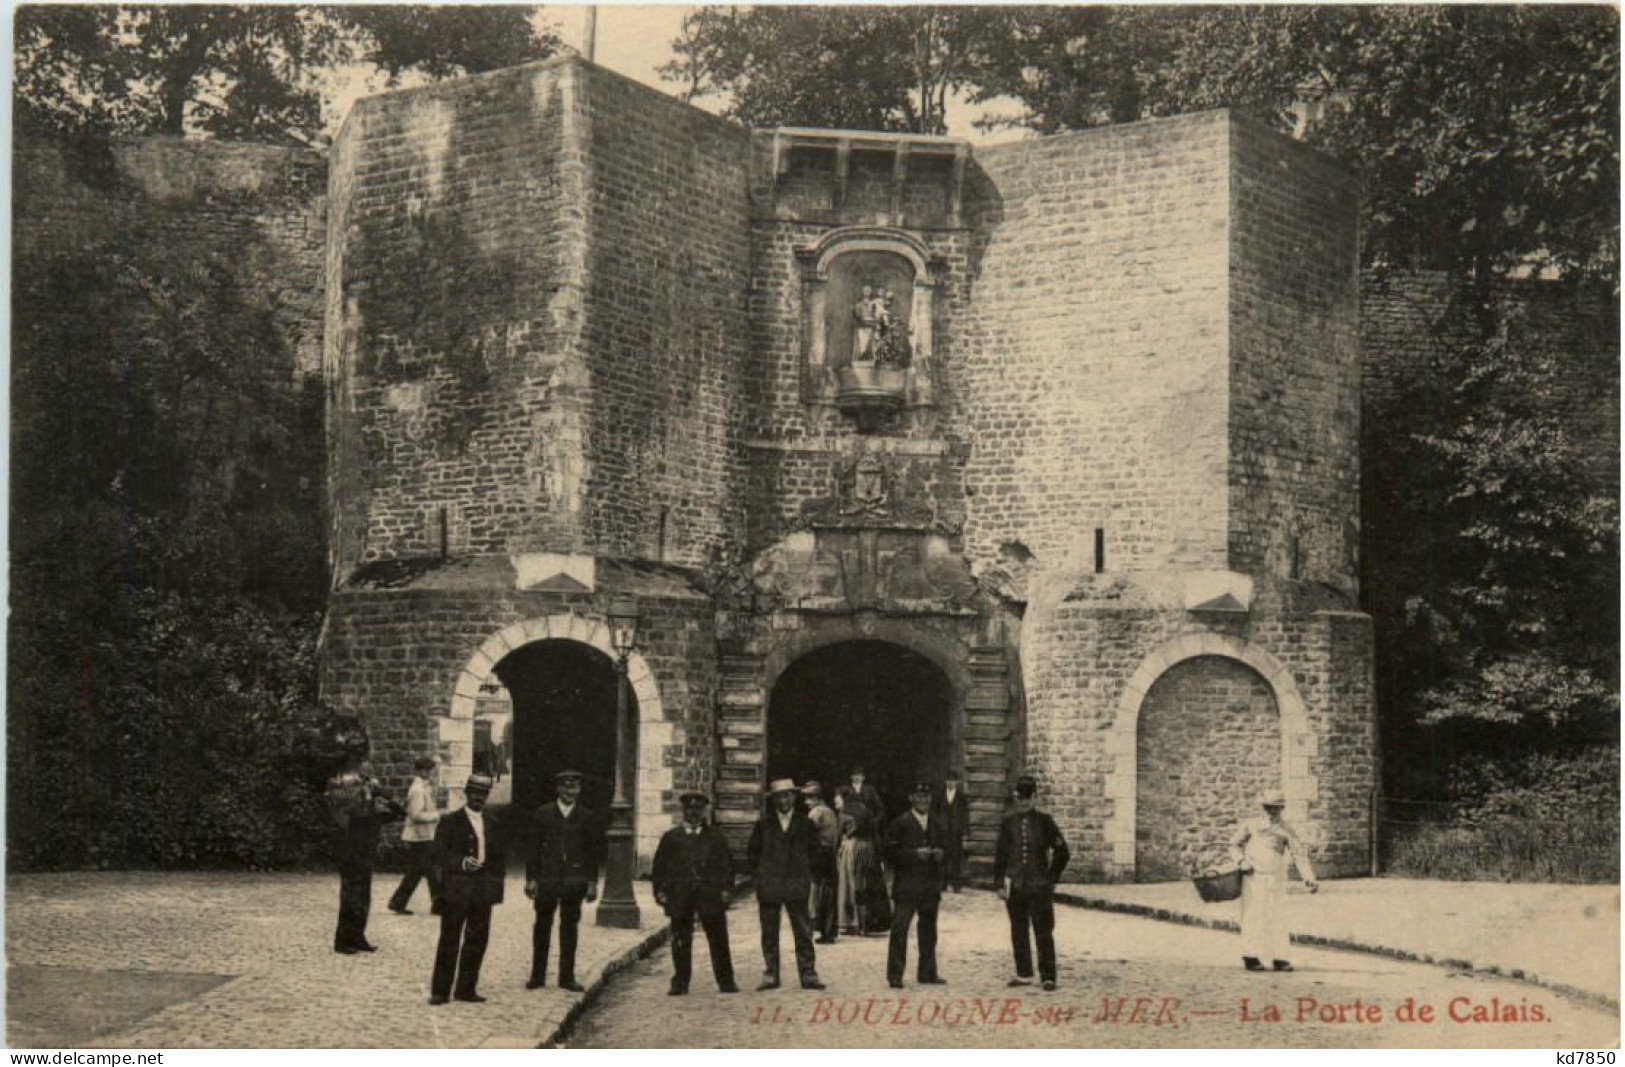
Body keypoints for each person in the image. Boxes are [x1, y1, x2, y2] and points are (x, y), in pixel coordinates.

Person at [429, 773, 506, 1004]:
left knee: (477, 939)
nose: (478, 798)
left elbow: (499, 858)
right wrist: (461, 862)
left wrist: (495, 885)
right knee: (450, 938)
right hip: (457, 888)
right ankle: (440, 991)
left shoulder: (493, 822)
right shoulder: (450, 821)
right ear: (466, 793)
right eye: (474, 793)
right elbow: (438, 854)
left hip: (483, 889)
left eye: (482, 794)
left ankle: (466, 989)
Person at [652, 792, 739, 996]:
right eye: (689, 809)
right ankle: (680, 982)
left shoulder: (715, 837)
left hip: (710, 894)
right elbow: (660, 868)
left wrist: (727, 889)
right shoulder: (671, 838)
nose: (693, 813)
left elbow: (727, 865)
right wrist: (660, 891)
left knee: (718, 938)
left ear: (703, 812)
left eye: (698, 810)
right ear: (683, 811)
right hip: (680, 894)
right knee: (681, 939)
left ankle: (726, 981)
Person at [746, 779, 826, 991]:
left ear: (794, 797)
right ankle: (771, 973)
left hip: (796, 885)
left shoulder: (805, 823)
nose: (784, 800)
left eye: (787, 795)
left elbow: (815, 852)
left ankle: (808, 973)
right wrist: (761, 877)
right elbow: (752, 854)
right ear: (773, 800)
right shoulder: (763, 825)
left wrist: (808, 875)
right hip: (770, 886)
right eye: (779, 796)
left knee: (803, 931)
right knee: (769, 933)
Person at [994, 774, 1071, 991]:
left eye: (1028, 797)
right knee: (1018, 929)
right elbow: (1000, 856)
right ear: (1015, 797)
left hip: (1039, 886)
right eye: (1020, 797)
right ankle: (1024, 973)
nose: (1024, 801)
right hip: (1015, 885)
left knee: (1043, 931)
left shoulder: (1045, 822)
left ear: (1035, 797)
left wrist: (1051, 877)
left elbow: (1062, 851)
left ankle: (1048, 976)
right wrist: (999, 883)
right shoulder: (1008, 823)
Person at [526, 769, 601, 992]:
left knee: (569, 928)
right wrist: (532, 878)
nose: (570, 791)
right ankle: (537, 976)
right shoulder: (543, 814)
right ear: (558, 789)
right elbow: (533, 849)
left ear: (579, 790)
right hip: (547, 879)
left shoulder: (586, 816)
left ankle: (566, 977)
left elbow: (592, 852)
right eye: (566, 787)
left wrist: (591, 882)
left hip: (574, 880)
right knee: (542, 927)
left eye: (574, 787)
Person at [1229, 789, 1318, 972]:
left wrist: (1308, 877)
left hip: (1276, 877)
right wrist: (1241, 861)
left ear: (1282, 809)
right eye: (1269, 807)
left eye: (1276, 808)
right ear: (1263, 807)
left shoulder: (1286, 829)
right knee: (1253, 915)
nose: (1272, 811)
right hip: (1253, 876)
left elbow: (1299, 853)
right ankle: (1250, 956)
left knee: (1277, 916)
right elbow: (1234, 845)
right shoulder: (1251, 825)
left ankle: (1280, 958)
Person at [327, 748, 402, 955]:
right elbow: (350, 813)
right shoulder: (350, 804)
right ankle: (342, 941)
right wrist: (365, 795)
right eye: (364, 772)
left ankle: (358, 937)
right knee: (350, 898)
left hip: (366, 857)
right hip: (350, 856)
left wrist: (381, 795)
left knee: (363, 898)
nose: (367, 776)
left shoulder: (371, 813)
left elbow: (398, 812)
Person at [885, 782, 947, 989]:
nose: (924, 801)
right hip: (907, 886)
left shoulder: (937, 823)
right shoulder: (900, 823)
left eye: (927, 797)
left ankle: (928, 972)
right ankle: (895, 975)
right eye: (919, 797)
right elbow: (889, 854)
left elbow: (947, 850)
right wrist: (913, 854)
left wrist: (940, 855)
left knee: (929, 930)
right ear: (911, 798)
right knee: (900, 929)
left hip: (929, 886)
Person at [389, 756, 442, 916]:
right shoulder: (417, 790)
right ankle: (439, 905)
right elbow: (415, 815)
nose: (432, 773)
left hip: (423, 836)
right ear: (422, 771)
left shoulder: (423, 787)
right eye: (429, 770)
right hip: (419, 837)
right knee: (431, 871)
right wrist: (437, 815)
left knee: (416, 871)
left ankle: (397, 902)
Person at [802, 782, 840, 944]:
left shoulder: (816, 813)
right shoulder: (830, 811)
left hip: (818, 855)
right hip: (830, 855)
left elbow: (806, 834)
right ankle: (828, 931)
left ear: (816, 798)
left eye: (809, 799)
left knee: (814, 892)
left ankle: (809, 929)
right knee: (828, 894)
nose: (806, 802)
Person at [933, 768, 969, 893]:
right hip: (943, 832)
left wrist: (965, 833)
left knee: (956, 858)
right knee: (942, 857)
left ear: (957, 782)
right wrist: (937, 827)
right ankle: (941, 884)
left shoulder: (961, 797)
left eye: (953, 781)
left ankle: (956, 885)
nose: (950, 783)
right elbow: (934, 813)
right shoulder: (939, 795)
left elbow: (965, 815)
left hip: (956, 832)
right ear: (945, 781)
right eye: (948, 780)